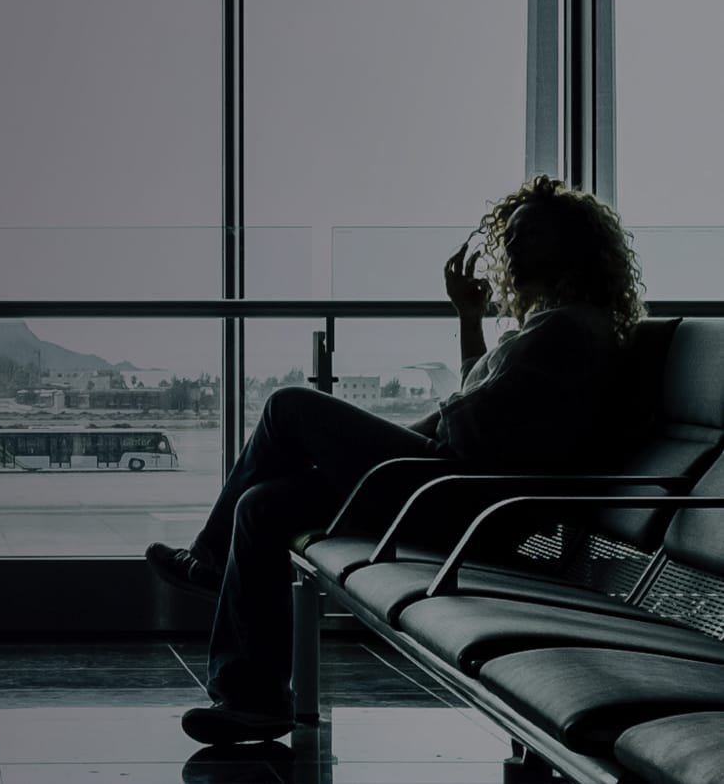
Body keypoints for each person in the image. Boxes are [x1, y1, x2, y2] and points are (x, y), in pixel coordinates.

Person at [146, 175, 645, 747]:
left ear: (573, 246)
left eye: (530, 235)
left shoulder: (566, 330)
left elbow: (473, 423)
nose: (511, 248)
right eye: (510, 235)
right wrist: (467, 321)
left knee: (287, 406)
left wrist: (420, 426)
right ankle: (253, 698)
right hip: (453, 488)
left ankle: (209, 562)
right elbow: (481, 410)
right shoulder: (553, 324)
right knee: (262, 505)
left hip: (466, 502)